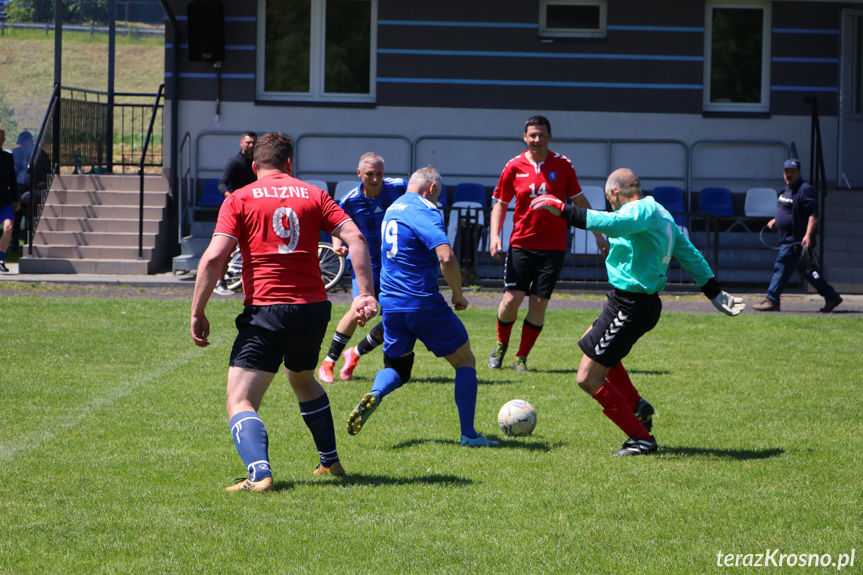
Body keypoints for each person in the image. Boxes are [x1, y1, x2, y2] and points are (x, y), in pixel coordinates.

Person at [190, 132, 378, 492]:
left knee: (240, 399)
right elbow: (355, 237)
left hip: (268, 310)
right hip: (312, 308)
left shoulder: (240, 198)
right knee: (303, 380)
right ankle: (330, 462)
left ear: (254, 165)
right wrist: (364, 293)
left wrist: (198, 310)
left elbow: (214, 257)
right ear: (290, 163)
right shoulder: (315, 194)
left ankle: (259, 476)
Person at [531, 168, 745, 456]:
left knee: (587, 378)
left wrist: (561, 209)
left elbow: (611, 223)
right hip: (631, 302)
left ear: (614, 194)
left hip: (630, 305)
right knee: (591, 343)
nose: (611, 206)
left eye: (610, 201)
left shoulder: (639, 210)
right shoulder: (661, 213)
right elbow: (690, 254)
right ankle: (636, 404)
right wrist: (714, 292)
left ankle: (640, 438)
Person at [345, 165, 499, 448]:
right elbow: (446, 255)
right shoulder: (425, 210)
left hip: (391, 303)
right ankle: (469, 435)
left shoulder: (393, 208)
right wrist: (458, 294)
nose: (436, 201)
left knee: (398, 369)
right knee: (466, 362)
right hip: (422, 302)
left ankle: (376, 393)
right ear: (431, 189)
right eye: (437, 196)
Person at [487, 115, 610, 373]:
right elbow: (500, 203)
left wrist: (599, 232)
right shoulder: (513, 166)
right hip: (521, 242)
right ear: (525, 138)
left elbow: (579, 200)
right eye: (532, 135)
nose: (537, 140)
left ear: (549, 137)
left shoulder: (563, 165)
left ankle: (521, 357)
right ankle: (501, 345)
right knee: (512, 298)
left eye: (541, 135)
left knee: (539, 303)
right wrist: (495, 235)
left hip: (553, 247)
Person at [318, 152, 406, 383]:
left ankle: (355, 353)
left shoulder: (400, 188)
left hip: (394, 261)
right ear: (359, 174)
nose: (375, 178)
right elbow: (334, 226)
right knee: (360, 308)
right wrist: (338, 245)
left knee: (399, 317)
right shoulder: (349, 201)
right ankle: (329, 361)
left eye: (379, 173)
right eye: (370, 174)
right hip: (366, 261)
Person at [753, 159, 842, 313]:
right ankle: (831, 296)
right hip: (786, 237)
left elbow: (814, 214)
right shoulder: (786, 190)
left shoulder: (805, 190)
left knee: (780, 267)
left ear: (799, 173)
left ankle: (772, 300)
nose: (789, 174)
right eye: (786, 172)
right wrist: (776, 220)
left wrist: (807, 236)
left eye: (792, 172)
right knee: (807, 271)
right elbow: (786, 210)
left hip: (796, 240)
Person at [213, 131, 258, 296]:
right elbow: (222, 184)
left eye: (253, 142)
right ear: (241, 143)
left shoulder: (258, 163)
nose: (251, 145)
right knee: (226, 247)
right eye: (248, 142)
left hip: (253, 211)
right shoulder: (234, 162)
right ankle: (219, 282)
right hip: (236, 210)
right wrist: (232, 199)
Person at [10, 131, 34, 251]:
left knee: (29, 217)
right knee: (16, 216)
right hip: (18, 187)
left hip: (30, 189)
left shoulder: (35, 152)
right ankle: (14, 242)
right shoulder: (16, 152)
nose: (22, 146)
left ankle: (27, 242)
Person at [0, 128, 20, 272]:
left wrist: (16, 199)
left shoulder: (7, 157)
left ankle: (1, 259)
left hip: (5, 201)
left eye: (1, 138)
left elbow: (12, 180)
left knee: (8, 229)